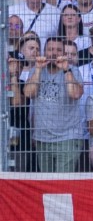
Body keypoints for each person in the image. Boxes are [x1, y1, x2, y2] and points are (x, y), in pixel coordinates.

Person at [23, 36, 85, 173]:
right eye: (50, 49)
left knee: (63, 182)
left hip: (67, 138)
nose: (54, 53)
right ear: (44, 52)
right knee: (47, 182)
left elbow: (75, 94)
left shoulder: (73, 70)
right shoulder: (36, 70)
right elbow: (28, 93)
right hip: (42, 138)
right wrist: (38, 69)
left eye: (58, 50)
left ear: (63, 53)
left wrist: (66, 70)